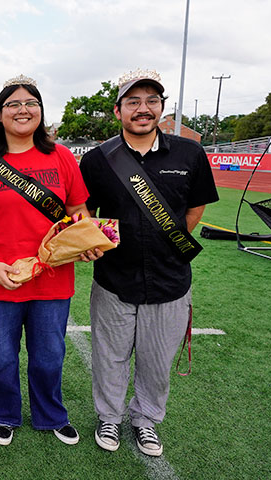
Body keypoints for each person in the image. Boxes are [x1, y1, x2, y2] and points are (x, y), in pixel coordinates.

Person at [0, 75, 98, 447]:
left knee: (49, 355)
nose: (23, 110)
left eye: (31, 103)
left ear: (41, 112)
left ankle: (51, 415)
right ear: (0, 114)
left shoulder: (61, 156)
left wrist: (85, 240)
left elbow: (78, 210)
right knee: (1, 356)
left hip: (51, 277)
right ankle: (4, 414)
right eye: (13, 104)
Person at [79, 69, 219, 457]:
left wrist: (169, 242)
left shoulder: (189, 153)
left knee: (157, 359)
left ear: (161, 106)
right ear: (118, 110)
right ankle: (109, 417)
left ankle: (145, 421)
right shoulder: (96, 159)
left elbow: (195, 207)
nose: (143, 109)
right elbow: (87, 212)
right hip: (113, 278)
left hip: (170, 279)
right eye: (134, 102)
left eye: (152, 101)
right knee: (110, 355)